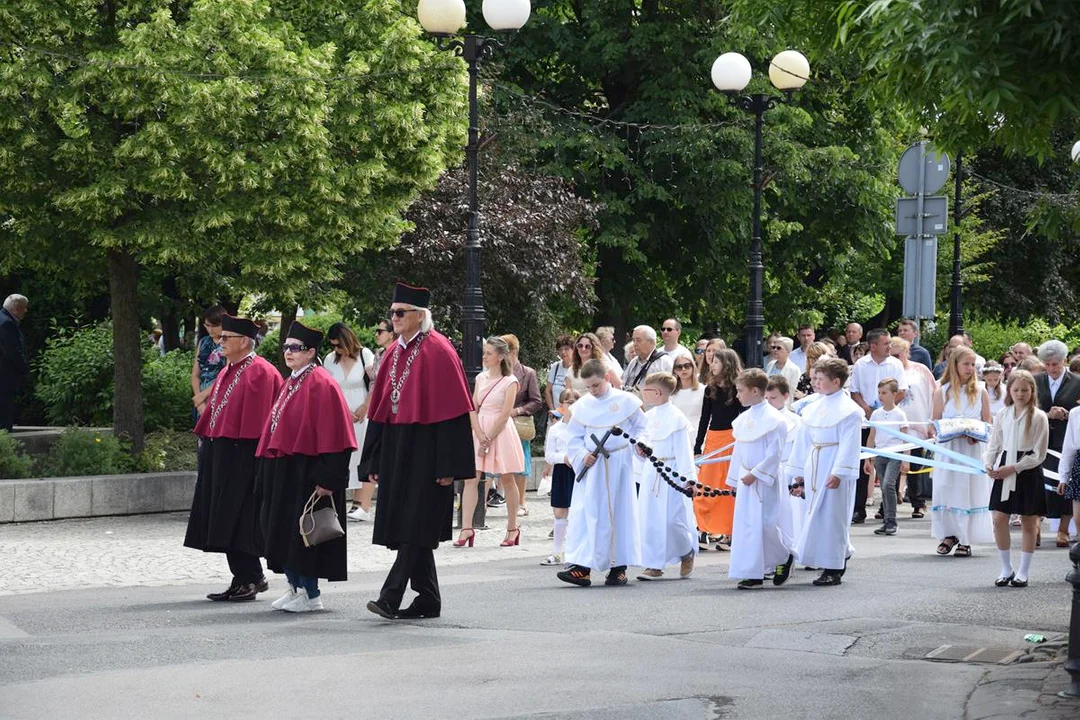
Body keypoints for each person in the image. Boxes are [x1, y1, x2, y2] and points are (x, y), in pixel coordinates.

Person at [360, 283, 476, 620]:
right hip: (398, 447)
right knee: (412, 525)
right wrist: (374, 458)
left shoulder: (439, 350)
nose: (393, 319)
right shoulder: (394, 352)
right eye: (392, 313)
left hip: (429, 451)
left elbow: (453, 413)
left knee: (416, 522)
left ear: (419, 316)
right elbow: (381, 409)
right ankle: (428, 599)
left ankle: (390, 596)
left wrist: (449, 465)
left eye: (400, 313)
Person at [257, 322, 356, 613]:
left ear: (311, 352)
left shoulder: (322, 383)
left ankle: (311, 594)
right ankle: (294, 586)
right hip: (285, 468)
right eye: (286, 347)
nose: (288, 352)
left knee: (304, 536)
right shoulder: (292, 380)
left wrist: (329, 479)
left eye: (295, 348)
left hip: (309, 473)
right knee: (282, 532)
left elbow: (336, 435)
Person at [184, 315, 283, 603]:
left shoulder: (262, 372)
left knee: (241, 517)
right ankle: (243, 576)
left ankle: (251, 577)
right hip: (222, 450)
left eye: (227, 337)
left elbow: (266, 419)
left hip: (245, 455)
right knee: (223, 515)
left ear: (244, 341)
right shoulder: (230, 368)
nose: (221, 341)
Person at [556, 359, 646, 587]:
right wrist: (581, 455)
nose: (592, 391)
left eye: (596, 385)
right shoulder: (583, 406)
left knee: (619, 513)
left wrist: (640, 444)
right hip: (593, 467)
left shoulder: (626, 401)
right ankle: (581, 568)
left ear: (607, 378)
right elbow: (574, 437)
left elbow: (641, 427)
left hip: (619, 464)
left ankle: (618, 568)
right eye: (588, 387)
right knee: (587, 514)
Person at [790, 358, 864, 586]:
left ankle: (834, 567)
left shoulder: (850, 411)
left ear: (836, 381)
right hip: (815, 464)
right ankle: (830, 555)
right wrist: (799, 471)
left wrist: (839, 472)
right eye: (814, 379)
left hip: (833, 465)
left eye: (820, 379)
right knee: (816, 515)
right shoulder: (812, 408)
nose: (815, 383)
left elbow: (850, 443)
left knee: (833, 516)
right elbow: (803, 441)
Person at [458, 337, 526, 549]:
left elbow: (505, 413)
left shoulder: (510, 381)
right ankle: (466, 527)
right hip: (480, 428)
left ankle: (513, 527)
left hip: (500, 431)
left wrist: (489, 437)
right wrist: (479, 433)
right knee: (471, 478)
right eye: (485, 352)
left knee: (507, 478)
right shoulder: (480, 378)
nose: (484, 356)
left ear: (500, 356)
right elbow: (473, 407)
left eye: (489, 353)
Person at [726, 369, 791, 589]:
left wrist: (756, 474)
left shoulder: (775, 420)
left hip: (765, 480)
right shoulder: (743, 419)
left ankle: (784, 554)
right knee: (747, 526)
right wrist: (734, 479)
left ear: (755, 391)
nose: (737, 396)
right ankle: (753, 573)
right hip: (746, 479)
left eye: (741, 391)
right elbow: (739, 451)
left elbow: (775, 453)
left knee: (765, 524)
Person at [984, 369, 1048, 588]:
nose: (1020, 394)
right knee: (999, 519)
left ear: (1032, 391)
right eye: (1016, 389)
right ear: (1009, 390)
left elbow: (1039, 454)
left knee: (1029, 521)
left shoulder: (1039, 417)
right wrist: (989, 463)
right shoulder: (1003, 414)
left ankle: (1023, 571)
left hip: (1026, 469)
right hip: (1005, 464)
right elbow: (995, 443)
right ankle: (1006, 568)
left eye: (1025, 390)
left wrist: (1014, 467)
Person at [930, 347, 993, 557]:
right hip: (949, 449)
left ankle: (965, 538)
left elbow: (987, 422)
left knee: (968, 491)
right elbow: (935, 423)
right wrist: (949, 429)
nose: (970, 368)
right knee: (946, 488)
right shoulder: (942, 391)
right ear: (955, 365)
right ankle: (949, 534)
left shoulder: (981, 390)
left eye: (973, 364)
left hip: (971, 449)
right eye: (966, 364)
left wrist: (976, 433)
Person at [636, 372, 697, 581]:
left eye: (646, 390)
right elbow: (641, 444)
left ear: (658, 392)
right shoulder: (647, 417)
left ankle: (686, 550)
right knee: (650, 518)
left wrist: (689, 479)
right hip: (651, 472)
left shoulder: (677, 418)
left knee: (673, 520)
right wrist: (640, 453)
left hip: (672, 473)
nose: (643, 393)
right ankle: (654, 564)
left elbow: (684, 451)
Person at [848, 329, 908, 523]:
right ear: (873, 346)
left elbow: (902, 391)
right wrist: (867, 409)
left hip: (889, 422)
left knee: (889, 467)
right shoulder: (861, 365)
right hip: (866, 421)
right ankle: (859, 508)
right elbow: (854, 391)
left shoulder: (896, 364)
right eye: (885, 343)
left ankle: (886, 508)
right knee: (863, 464)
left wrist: (886, 410)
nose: (890, 347)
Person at [324, 322, 376, 522]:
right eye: (333, 346)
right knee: (345, 454)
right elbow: (328, 387)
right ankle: (347, 502)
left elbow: (375, 382)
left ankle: (362, 503)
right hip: (340, 411)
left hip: (362, 410)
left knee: (363, 454)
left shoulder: (365, 355)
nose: (336, 349)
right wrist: (343, 411)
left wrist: (365, 407)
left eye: (339, 345)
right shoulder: (330, 360)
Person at [694, 349, 745, 550]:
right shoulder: (710, 389)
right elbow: (704, 419)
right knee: (707, 483)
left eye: (716, 362)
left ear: (727, 364)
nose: (712, 365)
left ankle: (729, 531)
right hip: (714, 438)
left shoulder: (737, 388)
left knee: (727, 484)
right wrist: (698, 445)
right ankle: (704, 528)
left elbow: (743, 415)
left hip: (731, 438)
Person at [1033, 340, 1080, 547]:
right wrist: (1046, 414)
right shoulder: (1035, 381)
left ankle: (1063, 529)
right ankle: (1034, 523)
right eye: (1048, 364)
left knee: (1064, 483)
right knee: (1038, 482)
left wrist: (1068, 414)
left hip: (1066, 439)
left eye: (1056, 364)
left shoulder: (1077, 382)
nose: (1052, 368)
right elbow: (1027, 410)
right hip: (1039, 439)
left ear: (1064, 361)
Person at [889, 337, 936, 519]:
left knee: (914, 464)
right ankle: (888, 505)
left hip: (916, 422)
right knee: (892, 464)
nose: (895, 358)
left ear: (906, 352)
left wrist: (931, 421)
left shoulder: (920, 370)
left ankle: (918, 502)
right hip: (893, 423)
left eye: (898, 354)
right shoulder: (889, 369)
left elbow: (932, 393)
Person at [502, 334, 542, 518]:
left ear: (514, 352)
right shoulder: (497, 372)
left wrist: (517, 411)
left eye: (504, 351)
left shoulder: (528, 373)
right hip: (499, 422)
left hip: (518, 424)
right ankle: (485, 501)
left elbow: (536, 401)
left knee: (521, 462)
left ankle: (521, 502)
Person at [864, 379, 908, 536]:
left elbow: (906, 438)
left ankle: (892, 521)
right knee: (883, 486)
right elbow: (872, 436)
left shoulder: (900, 414)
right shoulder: (876, 414)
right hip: (879, 454)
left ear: (894, 394)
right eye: (879, 393)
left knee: (888, 484)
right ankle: (886, 519)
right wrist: (868, 458)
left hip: (895, 453)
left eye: (884, 393)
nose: (881, 396)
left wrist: (906, 460)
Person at [541, 388, 580, 566]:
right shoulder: (556, 429)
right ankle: (557, 552)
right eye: (568, 402)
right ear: (561, 406)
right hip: (562, 471)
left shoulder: (583, 427)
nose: (572, 406)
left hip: (579, 471)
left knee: (578, 512)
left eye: (575, 402)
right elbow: (549, 455)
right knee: (560, 511)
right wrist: (563, 458)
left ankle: (575, 553)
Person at [766, 376, 804, 549]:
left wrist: (799, 476)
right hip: (768, 472)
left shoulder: (796, 421)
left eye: (773, 398)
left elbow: (800, 449)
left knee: (793, 515)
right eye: (766, 398)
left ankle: (793, 549)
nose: (769, 402)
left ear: (785, 396)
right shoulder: (761, 419)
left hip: (789, 470)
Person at [190, 305, 226, 418]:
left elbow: (227, 376)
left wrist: (202, 396)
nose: (210, 329)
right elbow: (195, 375)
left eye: (214, 326)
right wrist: (199, 400)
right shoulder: (203, 342)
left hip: (220, 396)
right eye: (207, 325)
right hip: (200, 397)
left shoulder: (229, 343)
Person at [0, 294, 29, 431]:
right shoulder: (7, 323)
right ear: (16, 308)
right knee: (5, 414)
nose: (26, 311)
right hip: (5, 376)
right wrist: (24, 368)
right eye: (24, 308)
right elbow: (12, 351)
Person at [622, 325, 674, 395]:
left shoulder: (664, 362)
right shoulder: (633, 362)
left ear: (651, 342)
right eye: (633, 340)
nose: (635, 344)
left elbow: (673, 390)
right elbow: (624, 382)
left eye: (638, 340)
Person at [1057, 402, 1080, 544]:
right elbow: (1069, 447)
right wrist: (1063, 477)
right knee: (1078, 517)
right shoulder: (1075, 412)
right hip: (1079, 464)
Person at [544, 334, 575, 420]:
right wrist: (552, 410)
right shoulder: (555, 367)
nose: (563, 352)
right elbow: (547, 391)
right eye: (560, 349)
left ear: (573, 350)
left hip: (572, 416)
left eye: (566, 349)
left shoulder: (578, 369)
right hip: (555, 415)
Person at [670, 355, 705, 428]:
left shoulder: (704, 390)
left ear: (693, 367)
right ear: (675, 371)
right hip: (678, 431)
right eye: (679, 367)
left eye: (687, 366)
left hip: (699, 431)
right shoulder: (671, 393)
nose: (683, 369)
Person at [764, 336, 801, 401]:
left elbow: (793, 391)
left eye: (779, 348)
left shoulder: (794, 369)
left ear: (788, 351)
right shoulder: (770, 364)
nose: (775, 350)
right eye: (773, 347)